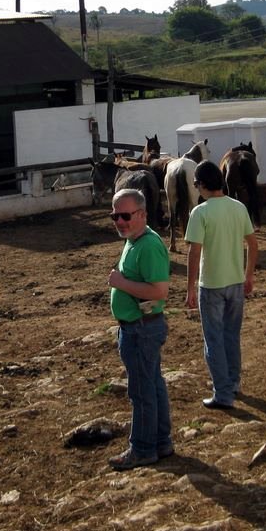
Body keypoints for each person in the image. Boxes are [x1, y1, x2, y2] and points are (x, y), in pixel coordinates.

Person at [106, 188, 174, 471]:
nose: (120, 221)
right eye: (115, 216)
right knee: (153, 385)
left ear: (143, 214)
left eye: (125, 215)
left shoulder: (147, 245)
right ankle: (160, 441)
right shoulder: (135, 240)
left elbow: (159, 292)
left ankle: (143, 449)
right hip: (138, 327)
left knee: (141, 390)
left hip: (141, 330)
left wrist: (120, 283)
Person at [184, 160, 258, 409]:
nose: (196, 188)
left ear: (203, 184)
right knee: (231, 336)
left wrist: (190, 287)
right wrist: (249, 275)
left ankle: (223, 393)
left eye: (195, 184)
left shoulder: (200, 212)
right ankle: (234, 383)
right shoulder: (238, 208)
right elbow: (253, 243)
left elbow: (194, 253)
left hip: (212, 284)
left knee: (213, 339)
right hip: (236, 283)